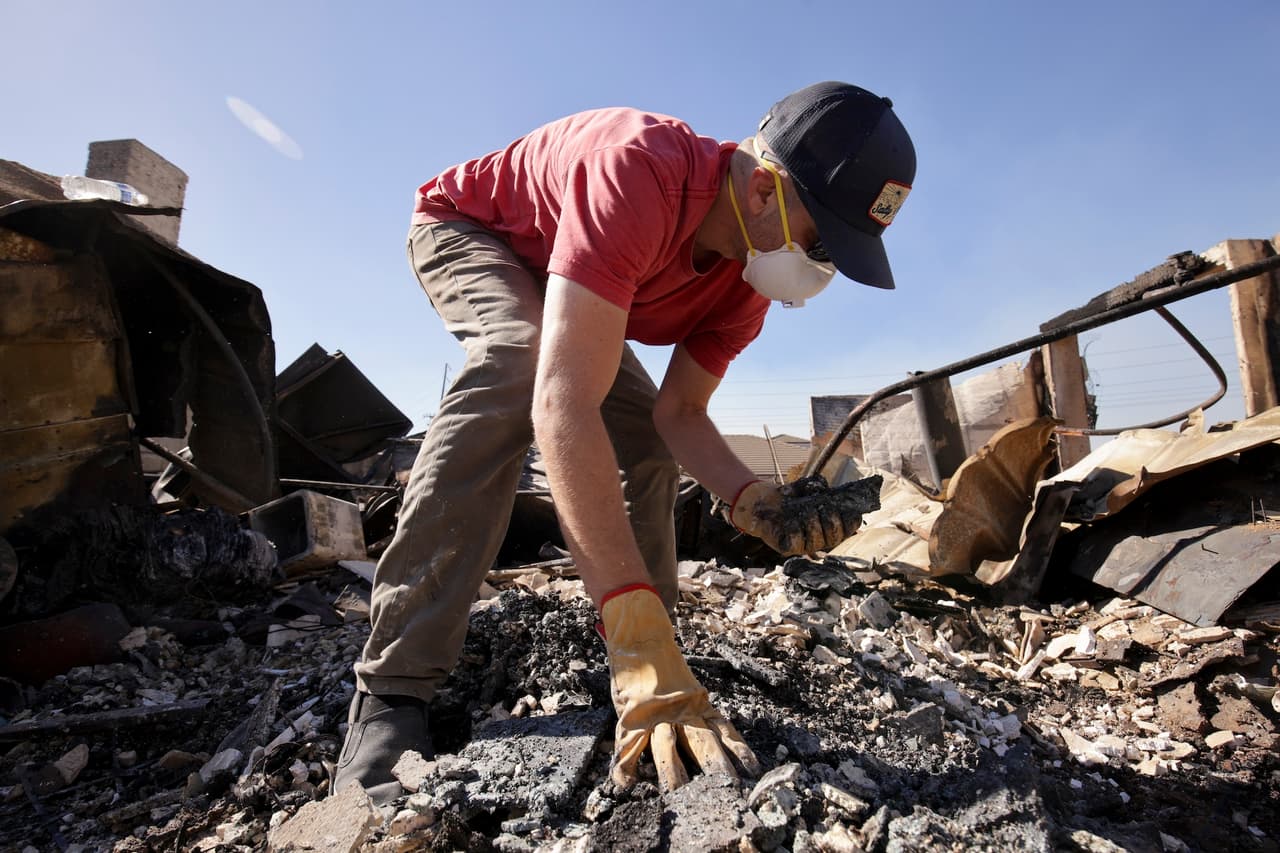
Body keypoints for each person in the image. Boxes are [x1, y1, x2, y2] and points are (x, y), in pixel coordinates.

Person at [334, 81, 917, 804]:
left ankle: (653, 655)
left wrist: (752, 497)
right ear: (764, 191)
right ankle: (393, 686)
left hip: (575, 285)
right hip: (475, 233)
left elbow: (680, 415)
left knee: (641, 433)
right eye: (824, 241)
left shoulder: (745, 289)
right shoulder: (638, 171)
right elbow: (563, 401)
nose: (822, 267)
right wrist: (623, 610)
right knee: (521, 362)